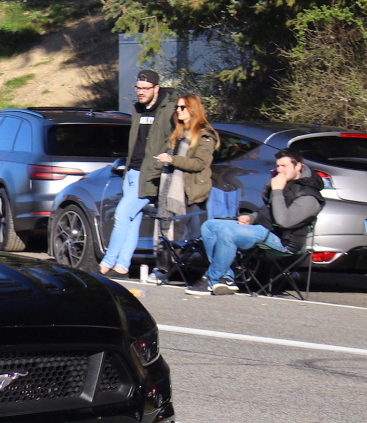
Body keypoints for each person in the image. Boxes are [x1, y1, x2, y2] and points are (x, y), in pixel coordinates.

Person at [189, 147, 325, 296]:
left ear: (298, 166)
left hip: (283, 240)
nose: (279, 170)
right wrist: (252, 217)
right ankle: (226, 278)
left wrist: (278, 190)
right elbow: (269, 208)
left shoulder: (309, 196)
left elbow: (284, 222)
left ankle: (212, 279)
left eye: (284, 166)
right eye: (278, 166)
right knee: (210, 226)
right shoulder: (288, 183)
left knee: (228, 232)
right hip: (264, 229)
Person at [98, 68, 178, 278]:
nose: (140, 92)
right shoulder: (138, 109)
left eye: (145, 88)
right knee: (132, 220)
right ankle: (122, 266)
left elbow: (176, 140)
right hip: (131, 172)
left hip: (150, 174)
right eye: (138, 88)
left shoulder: (170, 109)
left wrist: (164, 164)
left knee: (122, 215)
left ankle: (106, 263)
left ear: (156, 88)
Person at [150, 93, 218, 283]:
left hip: (190, 193)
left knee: (190, 236)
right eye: (177, 108)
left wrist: (172, 159)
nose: (178, 111)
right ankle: (164, 268)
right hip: (171, 191)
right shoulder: (177, 135)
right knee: (169, 229)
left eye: (182, 108)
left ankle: (194, 273)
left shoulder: (204, 135)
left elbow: (199, 163)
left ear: (192, 109)